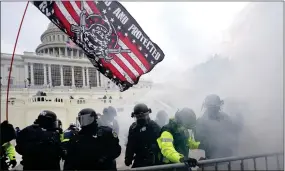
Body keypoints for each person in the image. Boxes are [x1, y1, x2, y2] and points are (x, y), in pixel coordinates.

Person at [195, 94, 240, 159]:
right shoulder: (201, 121)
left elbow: (233, 130)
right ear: (208, 107)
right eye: (212, 107)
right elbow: (200, 142)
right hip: (211, 157)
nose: (215, 109)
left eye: (216, 107)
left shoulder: (224, 117)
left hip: (226, 154)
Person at [125, 103, 161, 168]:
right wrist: (128, 158)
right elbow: (130, 144)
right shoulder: (133, 128)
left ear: (148, 115)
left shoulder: (154, 127)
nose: (141, 119)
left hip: (153, 160)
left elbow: (161, 145)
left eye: (143, 116)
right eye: (138, 117)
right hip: (139, 159)